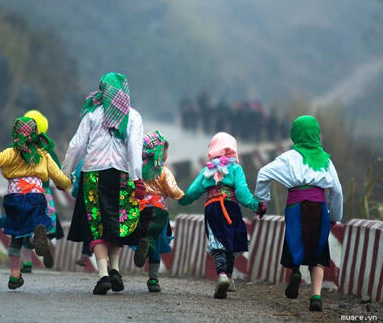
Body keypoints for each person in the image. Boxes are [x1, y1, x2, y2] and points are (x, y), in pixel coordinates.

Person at [62, 72, 145, 295]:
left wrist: (65, 174)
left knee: (96, 224)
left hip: (92, 175)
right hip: (123, 176)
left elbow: (76, 146)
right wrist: (137, 179)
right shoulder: (134, 117)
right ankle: (115, 268)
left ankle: (103, 275)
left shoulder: (92, 115)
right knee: (118, 223)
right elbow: (135, 150)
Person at [254, 115, 343, 312]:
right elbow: (336, 191)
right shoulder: (326, 160)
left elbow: (263, 174)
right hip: (319, 208)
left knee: (294, 242)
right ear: (316, 135)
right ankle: (316, 295)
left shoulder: (288, 158)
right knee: (319, 252)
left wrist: (263, 199)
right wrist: (335, 216)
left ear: (295, 134)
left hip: (295, 206)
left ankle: (295, 272)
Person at [0, 117, 71, 290]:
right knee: (37, 222)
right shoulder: (43, 154)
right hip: (36, 195)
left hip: (14, 198)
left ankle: (14, 275)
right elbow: (58, 177)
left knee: (16, 236)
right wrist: (67, 183)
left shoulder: (11, 152)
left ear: (15, 133)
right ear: (35, 133)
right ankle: (37, 236)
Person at [179, 132, 266, 299]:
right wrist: (256, 205)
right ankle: (230, 278)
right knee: (230, 241)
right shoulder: (235, 168)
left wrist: (182, 199)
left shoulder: (208, 169)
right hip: (232, 207)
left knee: (217, 240)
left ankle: (222, 275)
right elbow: (241, 192)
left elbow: (193, 191)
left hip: (212, 207)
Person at [133, 131, 184, 292]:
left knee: (143, 235)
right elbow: (173, 190)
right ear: (160, 152)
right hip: (159, 213)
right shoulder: (162, 171)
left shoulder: (137, 168)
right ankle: (153, 279)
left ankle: (142, 244)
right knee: (156, 243)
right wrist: (183, 196)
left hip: (139, 209)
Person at [18, 110, 65, 273]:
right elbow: (58, 171)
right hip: (43, 193)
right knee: (47, 226)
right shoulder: (47, 150)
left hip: (22, 193)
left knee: (23, 228)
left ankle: (27, 263)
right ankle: (46, 247)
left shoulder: (20, 148)